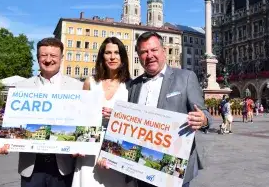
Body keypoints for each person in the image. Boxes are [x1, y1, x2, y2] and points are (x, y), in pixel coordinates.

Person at [0, 37, 83, 187]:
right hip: (31, 167)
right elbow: (14, 123)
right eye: (44, 55)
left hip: (63, 166)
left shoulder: (77, 87)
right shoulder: (22, 87)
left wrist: (82, 144)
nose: (48, 60)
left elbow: (83, 123)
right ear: (37, 58)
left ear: (61, 58)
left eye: (53, 56)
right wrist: (4, 141)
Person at [127, 32, 212, 187]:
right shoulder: (134, 85)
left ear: (163, 51)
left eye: (154, 50)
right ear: (139, 56)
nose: (149, 55)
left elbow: (205, 114)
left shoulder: (185, 77)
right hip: (142, 165)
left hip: (173, 165)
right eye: (144, 52)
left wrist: (203, 119)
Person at [72, 37, 134, 187]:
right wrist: (77, 144)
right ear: (102, 56)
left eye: (117, 53)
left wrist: (117, 116)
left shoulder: (131, 86)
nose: (112, 57)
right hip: (90, 149)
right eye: (108, 53)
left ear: (123, 57)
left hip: (117, 150)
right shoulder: (90, 82)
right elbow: (80, 117)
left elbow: (136, 120)